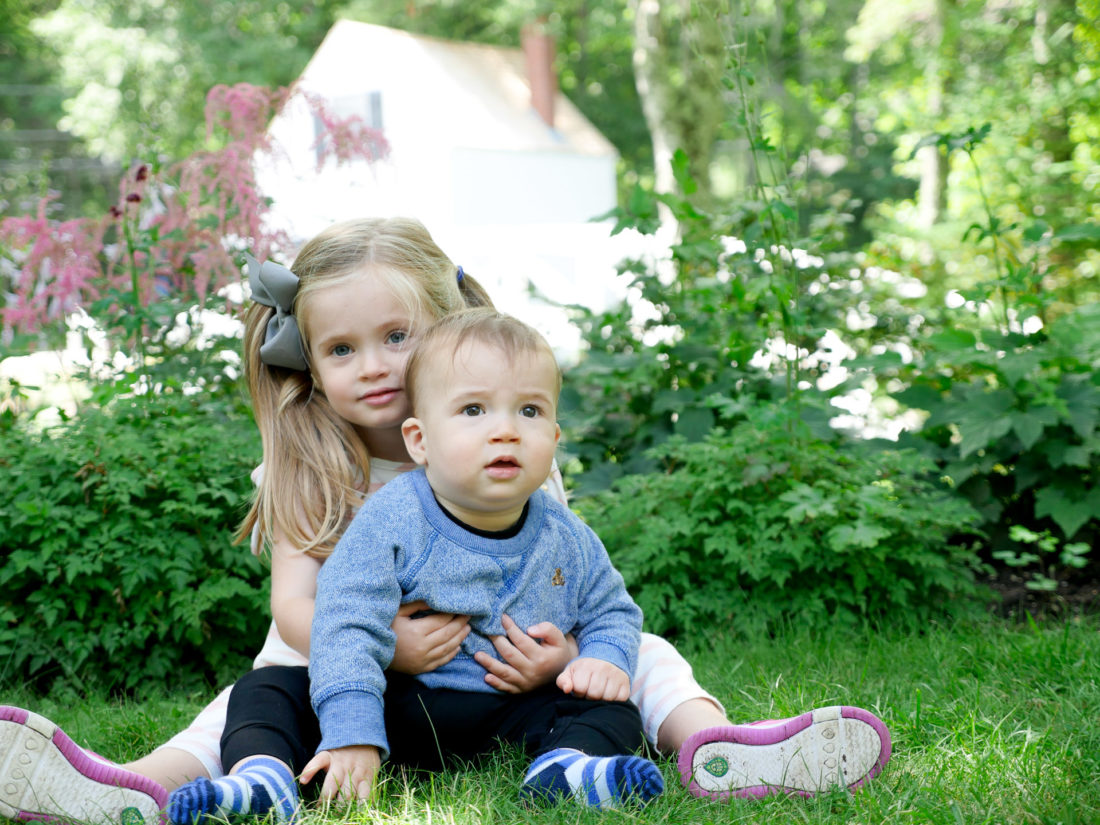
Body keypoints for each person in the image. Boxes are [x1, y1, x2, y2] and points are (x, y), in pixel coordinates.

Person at [0, 217, 890, 825]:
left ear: (447, 326)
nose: (376, 366)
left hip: (497, 675)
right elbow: (294, 612)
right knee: (250, 694)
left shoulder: (507, 437)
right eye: (342, 349)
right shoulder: (312, 458)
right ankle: (136, 789)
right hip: (348, 672)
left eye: (397, 337)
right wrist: (384, 642)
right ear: (308, 359)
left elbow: (564, 577)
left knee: (642, 653)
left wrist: (562, 654)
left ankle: (712, 747)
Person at [297, 307, 666, 810]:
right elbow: (346, 622)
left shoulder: (566, 535)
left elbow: (612, 611)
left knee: (617, 710)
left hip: (515, 712)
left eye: (530, 412)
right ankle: (266, 774)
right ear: (420, 441)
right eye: (474, 410)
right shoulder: (394, 520)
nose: (506, 430)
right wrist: (354, 730)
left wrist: (599, 658)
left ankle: (566, 770)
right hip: (407, 707)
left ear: (554, 441)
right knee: (273, 688)